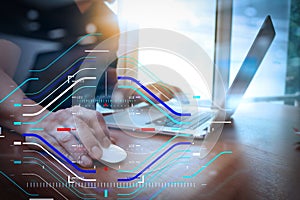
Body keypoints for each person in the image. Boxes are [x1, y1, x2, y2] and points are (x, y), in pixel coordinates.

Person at [0, 0, 183, 167]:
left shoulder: (106, 17)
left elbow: (98, 69)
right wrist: (32, 117)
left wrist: (134, 90)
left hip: (67, 119)